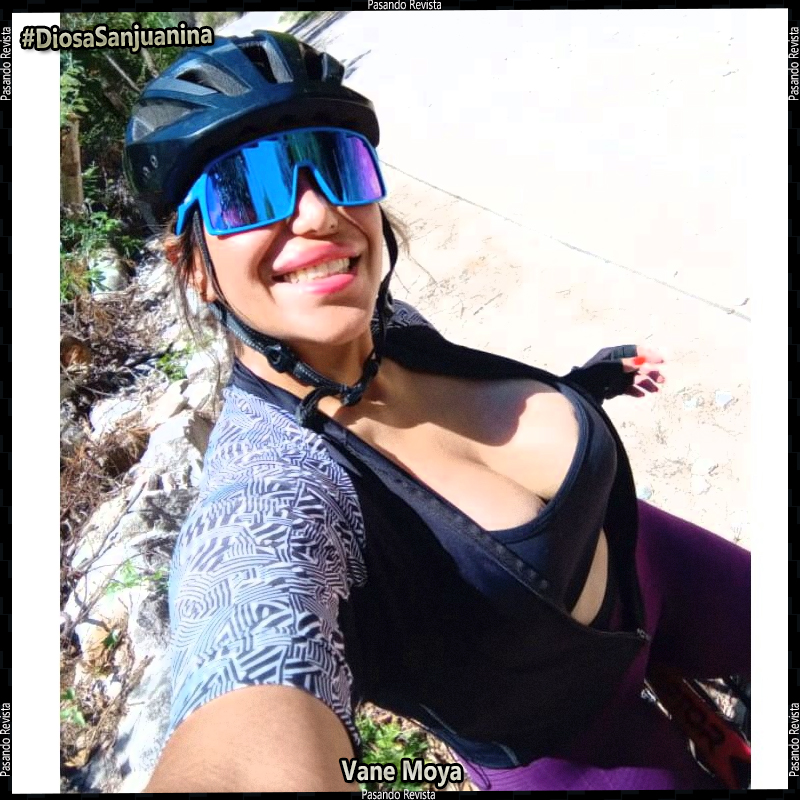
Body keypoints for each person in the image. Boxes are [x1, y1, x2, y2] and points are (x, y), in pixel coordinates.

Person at [124, 31, 750, 792]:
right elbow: (247, 673)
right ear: (192, 263)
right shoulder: (272, 493)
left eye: (336, 163)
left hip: (654, 564)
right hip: (573, 749)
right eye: (245, 188)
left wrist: (586, 384)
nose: (319, 213)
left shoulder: (386, 324)